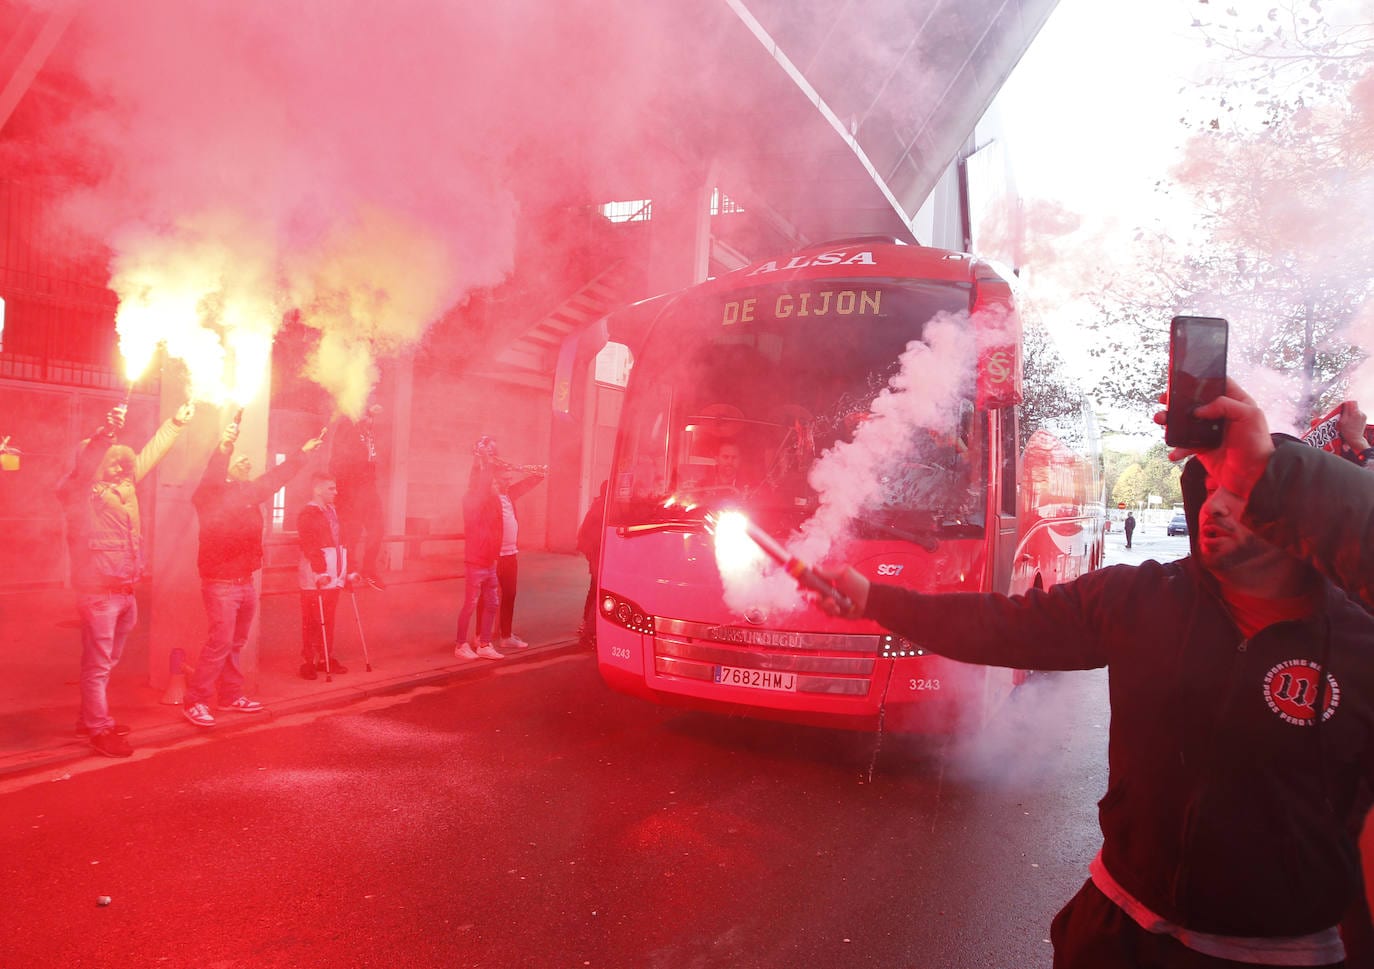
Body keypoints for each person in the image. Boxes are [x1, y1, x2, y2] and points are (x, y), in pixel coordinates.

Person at [819, 437, 1374, 967]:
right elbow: (1000, 625)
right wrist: (875, 600)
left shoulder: (1358, 644)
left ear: (1298, 511)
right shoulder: (1138, 598)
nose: (1214, 506)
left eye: (1241, 491)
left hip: (1282, 952)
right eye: (1208, 486)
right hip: (1118, 928)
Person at [1160, 379, 1374, 610]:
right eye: (1211, 490)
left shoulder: (1355, 637)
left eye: (1238, 491)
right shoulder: (1151, 597)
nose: (1215, 506)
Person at [56, 400, 194, 757]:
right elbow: (82, 472)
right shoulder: (81, 494)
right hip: (99, 595)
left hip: (124, 592)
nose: (121, 463)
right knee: (99, 666)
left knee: (102, 665)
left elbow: (150, 453)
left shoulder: (125, 486)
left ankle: (89, 719)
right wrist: (103, 436)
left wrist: (175, 423)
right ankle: (99, 730)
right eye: (110, 458)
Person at [182, 420, 324, 727]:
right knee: (219, 643)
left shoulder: (248, 494)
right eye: (239, 458)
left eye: (246, 457)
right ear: (225, 468)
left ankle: (230, 696)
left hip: (244, 582)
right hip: (220, 584)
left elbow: (275, 478)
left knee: (234, 644)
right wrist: (224, 447)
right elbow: (212, 475)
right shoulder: (210, 496)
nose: (246, 460)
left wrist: (302, 453)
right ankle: (195, 701)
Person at [296, 471, 357, 679]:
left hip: (335, 575)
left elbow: (344, 542)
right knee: (313, 619)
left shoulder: (333, 511)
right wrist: (320, 571)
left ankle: (324, 657)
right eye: (331, 488)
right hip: (316, 577)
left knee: (327, 619)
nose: (336, 492)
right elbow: (310, 545)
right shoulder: (308, 513)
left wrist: (348, 571)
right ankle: (308, 661)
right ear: (317, 489)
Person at [480, 460, 546, 651]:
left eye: (509, 479)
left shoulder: (510, 494)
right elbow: (479, 480)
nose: (508, 482)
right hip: (494, 556)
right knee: (486, 597)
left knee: (510, 594)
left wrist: (518, 468)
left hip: (510, 555)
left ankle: (506, 636)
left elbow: (539, 475)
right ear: (495, 479)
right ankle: (480, 636)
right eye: (504, 479)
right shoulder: (488, 497)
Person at [329, 403, 386, 590]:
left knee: (377, 527)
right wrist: (343, 491)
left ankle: (368, 569)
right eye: (367, 416)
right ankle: (349, 573)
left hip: (368, 487)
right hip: (351, 489)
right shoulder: (348, 426)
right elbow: (337, 461)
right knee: (351, 533)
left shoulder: (366, 431)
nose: (371, 421)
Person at [455, 461, 504, 661]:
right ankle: (460, 645)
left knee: (492, 603)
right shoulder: (471, 500)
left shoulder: (492, 501)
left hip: (488, 561)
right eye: (492, 483)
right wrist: (484, 465)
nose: (497, 486)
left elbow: (498, 523)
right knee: (470, 604)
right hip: (475, 561)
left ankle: (484, 643)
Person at [576, 480, 608, 648]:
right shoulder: (603, 508)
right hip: (597, 554)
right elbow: (589, 533)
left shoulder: (599, 505)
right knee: (597, 591)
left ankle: (586, 627)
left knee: (594, 589)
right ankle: (588, 632)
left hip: (596, 553)